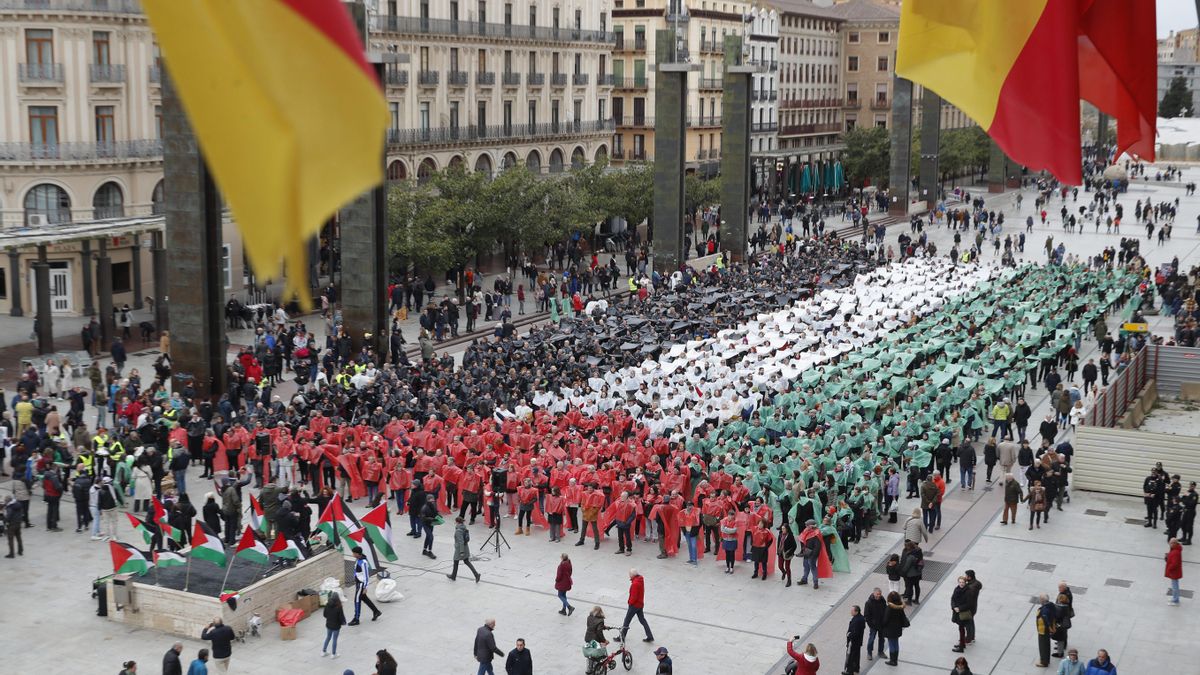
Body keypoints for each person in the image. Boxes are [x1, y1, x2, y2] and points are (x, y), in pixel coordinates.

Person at [349, 546, 382, 625]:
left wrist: (365, 587)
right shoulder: (358, 559)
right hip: (358, 583)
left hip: (361, 584)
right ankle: (376, 611)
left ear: (357, 554)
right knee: (364, 598)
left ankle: (356, 619)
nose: (352, 554)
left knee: (357, 600)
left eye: (354, 553)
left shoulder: (363, 562)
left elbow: (366, 575)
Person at [621, 568, 655, 642]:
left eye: (629, 574)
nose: (629, 576)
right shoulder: (640, 580)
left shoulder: (635, 584)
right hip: (640, 604)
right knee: (642, 620)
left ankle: (622, 637)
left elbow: (634, 597)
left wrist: (629, 602)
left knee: (627, 621)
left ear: (632, 575)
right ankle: (650, 636)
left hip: (634, 606)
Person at [447, 516, 481, 582]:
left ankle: (453, 576)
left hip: (460, 549)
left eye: (455, 522)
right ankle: (476, 575)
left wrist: (461, 552)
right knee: (466, 561)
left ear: (457, 522)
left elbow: (461, 542)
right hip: (465, 547)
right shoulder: (464, 527)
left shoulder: (458, 531)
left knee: (456, 561)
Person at [881, 591, 909, 667]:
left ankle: (892, 661)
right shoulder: (900, 606)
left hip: (890, 629)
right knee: (896, 643)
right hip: (898, 628)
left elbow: (885, 619)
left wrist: (882, 625)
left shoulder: (889, 607)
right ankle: (895, 660)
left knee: (891, 644)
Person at [863, 588, 887, 662]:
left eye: (880, 594)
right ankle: (869, 653)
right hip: (873, 625)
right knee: (871, 639)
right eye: (877, 594)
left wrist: (885, 621)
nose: (879, 596)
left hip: (882, 624)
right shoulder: (868, 603)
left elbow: (885, 611)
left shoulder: (883, 600)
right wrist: (871, 624)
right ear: (874, 593)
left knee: (882, 639)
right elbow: (866, 615)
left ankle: (880, 652)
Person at [798, 519, 822, 589]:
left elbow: (817, 547)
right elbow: (803, 541)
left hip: (812, 554)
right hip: (807, 552)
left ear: (811, 526)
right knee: (806, 567)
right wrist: (803, 550)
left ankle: (815, 582)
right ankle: (804, 579)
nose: (806, 526)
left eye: (807, 525)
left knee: (813, 568)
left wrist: (813, 555)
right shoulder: (806, 531)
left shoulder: (816, 534)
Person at [1034, 593, 1057, 668]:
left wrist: (1049, 628)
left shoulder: (1044, 609)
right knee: (1047, 645)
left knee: (1043, 646)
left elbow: (1045, 619)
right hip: (1048, 629)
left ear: (1042, 600)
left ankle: (1044, 662)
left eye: (1040, 599)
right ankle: (1046, 660)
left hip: (1043, 630)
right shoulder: (1051, 605)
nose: (1039, 601)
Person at [321, 591, 346, 657]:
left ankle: (323, 651)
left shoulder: (327, 604)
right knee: (334, 639)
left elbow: (325, 614)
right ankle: (333, 654)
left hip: (329, 624)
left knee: (328, 637)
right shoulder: (339, 606)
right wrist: (343, 622)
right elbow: (341, 617)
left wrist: (329, 618)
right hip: (336, 626)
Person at [845, 604, 866, 675]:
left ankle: (850, 671)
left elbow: (855, 633)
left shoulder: (857, 620)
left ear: (856, 612)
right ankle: (856, 669)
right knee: (856, 655)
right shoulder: (860, 618)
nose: (851, 612)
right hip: (858, 641)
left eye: (852, 611)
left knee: (852, 656)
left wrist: (849, 635)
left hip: (854, 642)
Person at [1165, 537, 1183, 606]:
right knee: (1175, 585)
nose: (1169, 544)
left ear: (1174, 543)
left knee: (1175, 586)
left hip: (1174, 572)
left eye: (1170, 543)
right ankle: (1175, 598)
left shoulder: (1175, 552)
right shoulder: (1175, 550)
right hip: (1175, 572)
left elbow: (1174, 564)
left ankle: (1176, 600)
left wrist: (1169, 568)